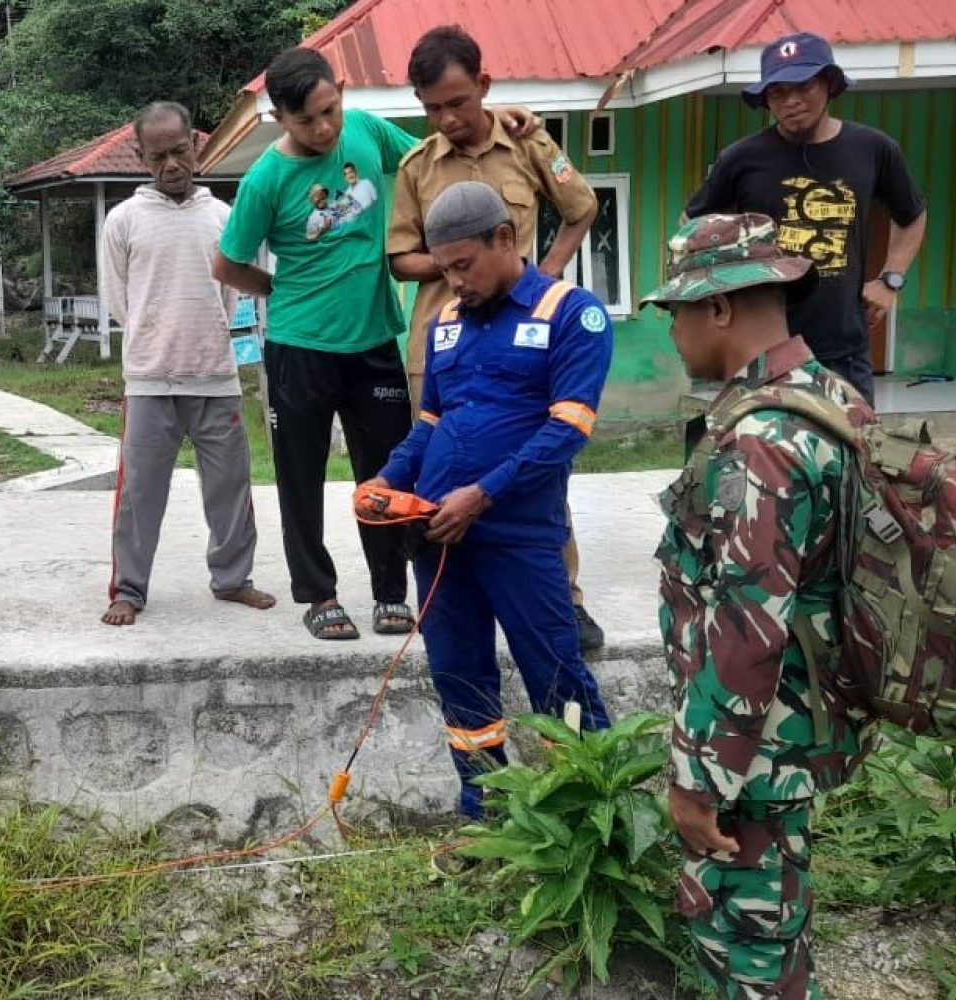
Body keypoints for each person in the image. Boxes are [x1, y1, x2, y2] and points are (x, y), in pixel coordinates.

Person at [212, 46, 540, 641]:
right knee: (300, 476)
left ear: (341, 92)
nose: (323, 127)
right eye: (306, 119)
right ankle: (318, 595)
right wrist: (279, 290)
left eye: (329, 110)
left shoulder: (365, 131)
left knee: (389, 473)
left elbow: (432, 155)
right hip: (299, 348)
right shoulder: (267, 177)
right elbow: (227, 263)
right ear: (278, 119)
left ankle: (391, 592)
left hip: (372, 345)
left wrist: (503, 118)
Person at [642, 213, 873, 999]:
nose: (670, 329)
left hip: (755, 755)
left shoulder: (761, 440)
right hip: (799, 726)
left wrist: (699, 779)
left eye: (675, 310)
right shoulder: (829, 397)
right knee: (773, 928)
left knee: (745, 947)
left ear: (720, 308)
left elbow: (747, 627)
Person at [365, 181, 612, 820]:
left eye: (462, 266)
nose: (452, 283)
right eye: (443, 270)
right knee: (457, 674)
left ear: (505, 240)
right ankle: (486, 812)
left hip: (521, 538)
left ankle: (588, 817)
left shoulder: (570, 313)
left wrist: (482, 495)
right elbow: (430, 422)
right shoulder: (447, 322)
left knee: (556, 674)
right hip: (439, 538)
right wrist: (387, 480)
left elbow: (566, 431)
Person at [388, 24, 607, 653]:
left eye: (456, 102)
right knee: (440, 471)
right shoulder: (416, 166)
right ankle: (454, 598)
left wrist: (544, 276)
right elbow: (401, 256)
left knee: (539, 469)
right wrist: (460, 261)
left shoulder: (526, 141)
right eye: (432, 107)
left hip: (524, 342)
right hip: (444, 344)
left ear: (483, 86)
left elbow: (582, 207)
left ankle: (564, 599)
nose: (446, 118)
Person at [98, 102, 276, 627]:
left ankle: (232, 579)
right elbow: (118, 300)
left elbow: (234, 293)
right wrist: (154, 341)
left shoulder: (224, 217)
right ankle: (128, 589)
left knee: (230, 486)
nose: (171, 164)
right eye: (158, 156)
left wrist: (205, 339)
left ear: (195, 147)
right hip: (150, 380)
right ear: (140, 156)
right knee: (138, 494)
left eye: (179, 151)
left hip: (215, 377)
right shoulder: (123, 220)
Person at [683, 32, 928, 403]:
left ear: (829, 84)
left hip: (843, 351)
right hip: (763, 353)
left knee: (856, 454)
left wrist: (890, 279)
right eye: (777, 92)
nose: (791, 101)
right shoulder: (741, 158)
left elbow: (911, 213)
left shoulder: (873, 149)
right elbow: (692, 223)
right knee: (764, 454)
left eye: (803, 86)